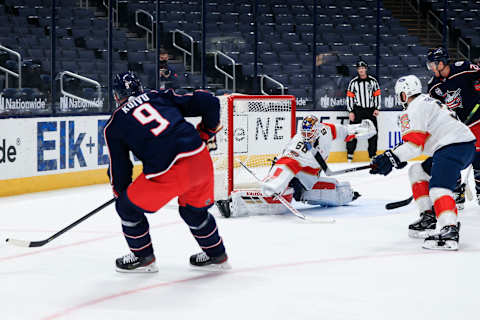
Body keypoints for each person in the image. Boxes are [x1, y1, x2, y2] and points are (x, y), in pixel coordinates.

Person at [104, 71, 228, 272]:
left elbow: (120, 167)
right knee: (192, 211)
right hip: (200, 158)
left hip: (168, 172)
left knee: (127, 209)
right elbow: (209, 101)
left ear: (116, 95)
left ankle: (143, 258)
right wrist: (206, 133)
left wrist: (121, 195)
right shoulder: (158, 96)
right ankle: (217, 255)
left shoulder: (114, 124)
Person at [370, 75, 476, 250]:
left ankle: (449, 229)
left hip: (452, 146)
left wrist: (391, 158)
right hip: (462, 145)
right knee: (417, 171)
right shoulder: (428, 101)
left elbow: (413, 146)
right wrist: (397, 157)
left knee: (439, 188)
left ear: (404, 95)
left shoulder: (414, 108)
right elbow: (419, 144)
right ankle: (428, 217)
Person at [216, 115, 376, 218]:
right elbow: (287, 162)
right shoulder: (298, 141)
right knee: (279, 201)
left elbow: (346, 131)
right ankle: (234, 204)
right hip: (292, 170)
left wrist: (364, 130)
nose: (307, 138)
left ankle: (349, 195)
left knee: (336, 192)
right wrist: (276, 183)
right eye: (304, 134)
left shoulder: (327, 130)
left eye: (310, 135)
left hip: (309, 177)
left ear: (318, 130)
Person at [426, 46, 480, 208]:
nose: (431, 68)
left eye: (433, 64)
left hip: (476, 120)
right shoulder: (434, 86)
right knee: (450, 157)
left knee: (478, 157)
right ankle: (456, 191)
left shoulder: (463, 69)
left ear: (442, 63)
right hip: (454, 126)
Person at [345, 60, 381, 162]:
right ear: (357, 70)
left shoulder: (373, 81)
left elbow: (377, 95)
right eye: (359, 68)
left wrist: (377, 108)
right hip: (358, 110)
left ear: (366, 69)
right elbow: (350, 97)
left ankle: (372, 155)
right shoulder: (353, 82)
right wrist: (351, 111)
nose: (361, 70)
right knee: (352, 132)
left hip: (370, 110)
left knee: (373, 133)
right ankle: (350, 154)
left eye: (363, 68)